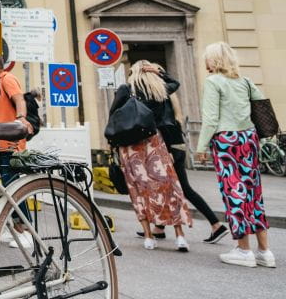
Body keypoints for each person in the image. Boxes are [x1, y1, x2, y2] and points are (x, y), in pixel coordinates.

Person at [197, 42, 274, 268]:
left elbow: (211, 118)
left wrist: (201, 147)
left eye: (207, 58)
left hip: (226, 141)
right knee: (253, 193)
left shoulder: (213, 82)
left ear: (214, 60)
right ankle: (265, 251)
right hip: (249, 138)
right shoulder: (245, 81)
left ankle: (243, 250)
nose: (205, 62)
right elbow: (261, 103)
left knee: (234, 192)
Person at [134, 66, 227, 244]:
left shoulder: (156, 97)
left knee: (175, 188)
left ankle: (215, 224)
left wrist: (166, 150)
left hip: (169, 146)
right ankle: (159, 228)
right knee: (177, 187)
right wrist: (160, 72)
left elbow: (161, 125)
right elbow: (174, 83)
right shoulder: (167, 96)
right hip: (178, 144)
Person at [109, 60, 192, 253]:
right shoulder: (159, 90)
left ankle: (148, 236)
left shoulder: (126, 89)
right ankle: (180, 236)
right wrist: (159, 72)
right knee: (169, 187)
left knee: (139, 189)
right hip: (155, 143)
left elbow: (113, 117)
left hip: (131, 147)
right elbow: (176, 84)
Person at [0, 52, 34, 249]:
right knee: (6, 188)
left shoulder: (6, 78)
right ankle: (15, 228)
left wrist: (21, 118)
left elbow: (19, 100)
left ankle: (27, 230)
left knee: (13, 187)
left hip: (11, 143)